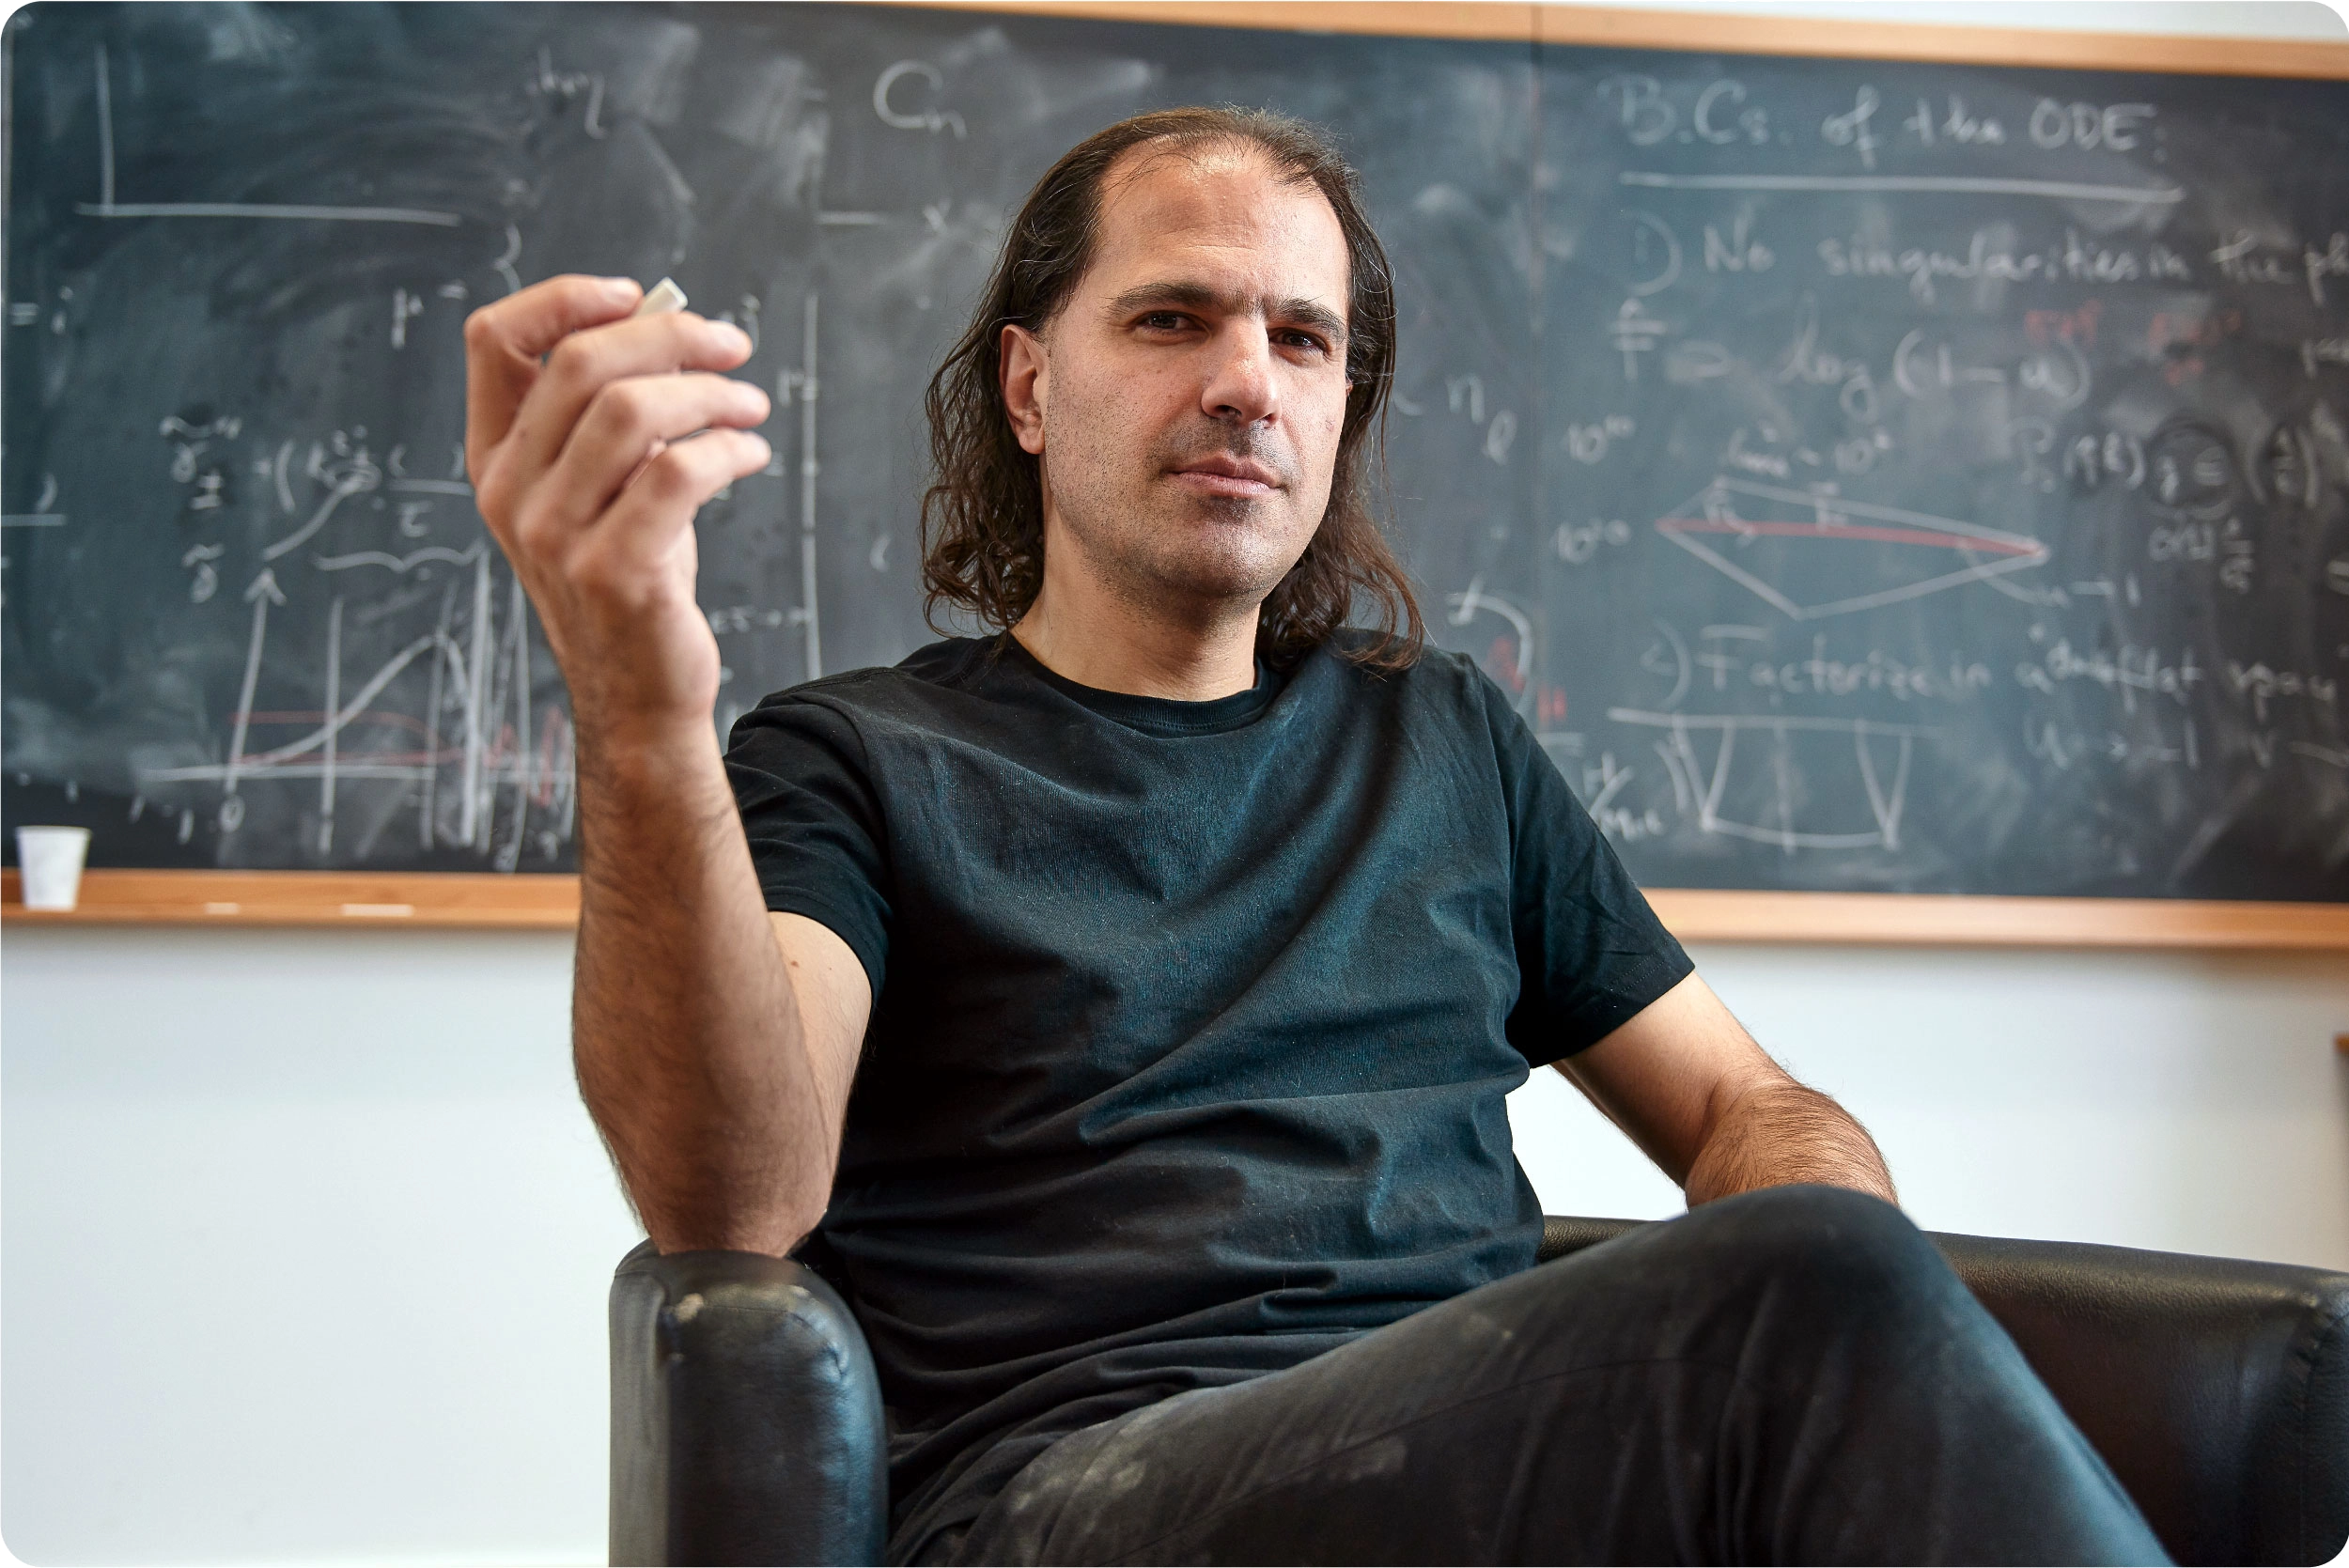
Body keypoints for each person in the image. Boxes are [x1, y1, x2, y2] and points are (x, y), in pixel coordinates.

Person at [462, 106, 2170, 1566]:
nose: (1244, 385)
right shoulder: (851, 760)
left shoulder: (1445, 737)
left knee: (1825, 1254)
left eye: (1301, 337)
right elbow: (731, 1198)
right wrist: (636, 708)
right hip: (1079, 1497)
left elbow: (1750, 1105)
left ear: (1344, 406)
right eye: (1171, 320)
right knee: (1806, 1297)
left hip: (1498, 1456)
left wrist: (1815, 1227)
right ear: (1029, 386)